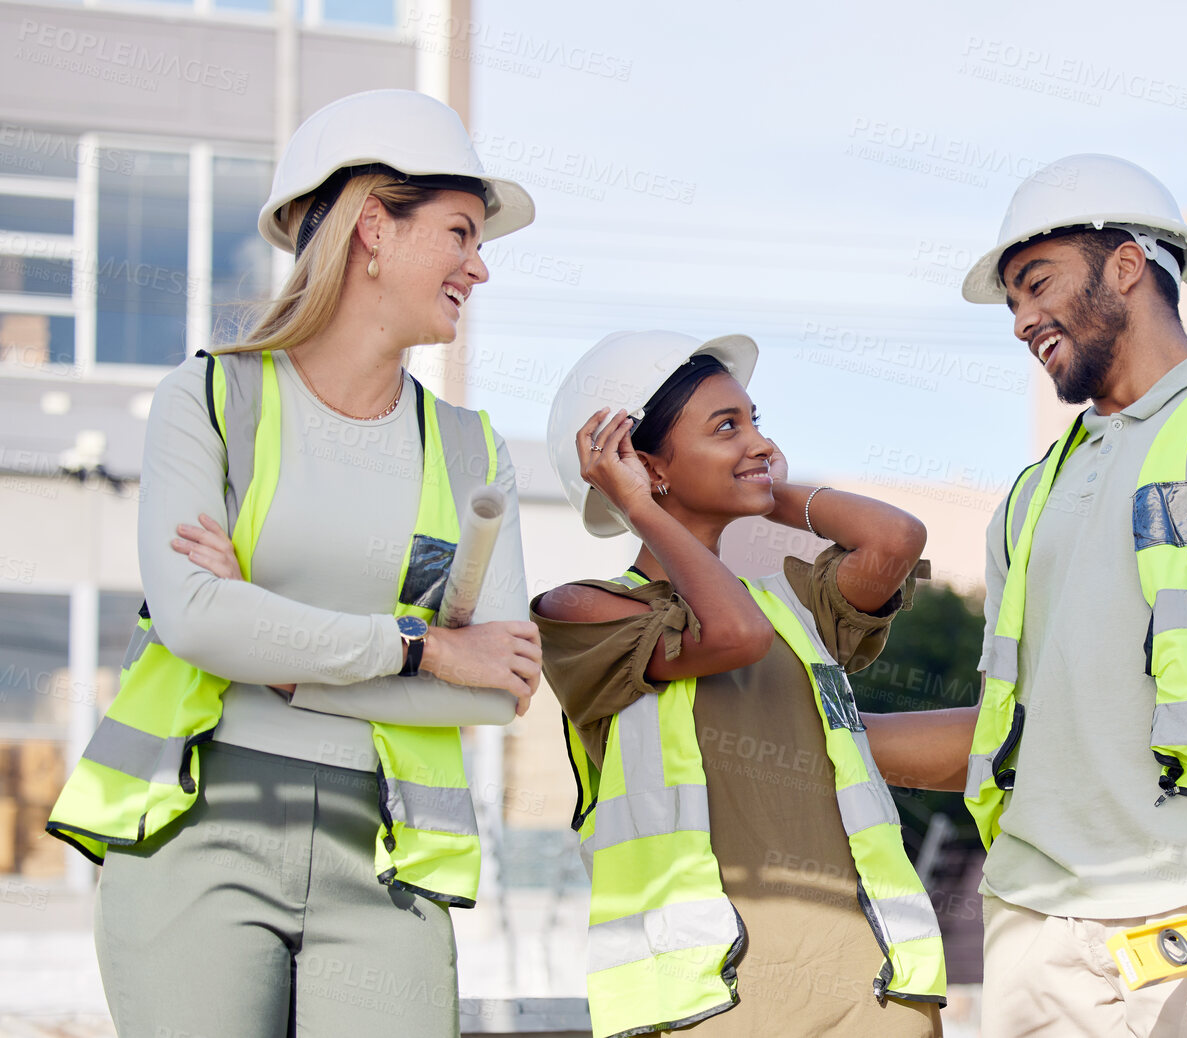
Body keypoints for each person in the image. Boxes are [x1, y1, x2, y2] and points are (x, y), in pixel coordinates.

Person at [45, 88, 541, 1037]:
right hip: (198, 834)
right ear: (372, 230)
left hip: (385, 857)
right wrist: (423, 649)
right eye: (461, 233)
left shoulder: (477, 452)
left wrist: (278, 659)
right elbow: (195, 619)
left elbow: (499, 686)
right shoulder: (210, 399)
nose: (479, 268)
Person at [863, 154, 1187, 1037]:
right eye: (1014, 302)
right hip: (1034, 922)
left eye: (1036, 284)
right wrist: (815, 732)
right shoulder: (1030, 497)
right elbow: (1011, 731)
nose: (1022, 320)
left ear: (1130, 265)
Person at [531, 330, 946, 1038]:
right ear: (642, 464)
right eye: (727, 427)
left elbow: (896, 541)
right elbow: (732, 638)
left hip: (873, 988)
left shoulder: (790, 605)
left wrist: (756, 484)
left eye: (757, 421)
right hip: (713, 999)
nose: (759, 442)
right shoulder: (585, 611)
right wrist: (644, 507)